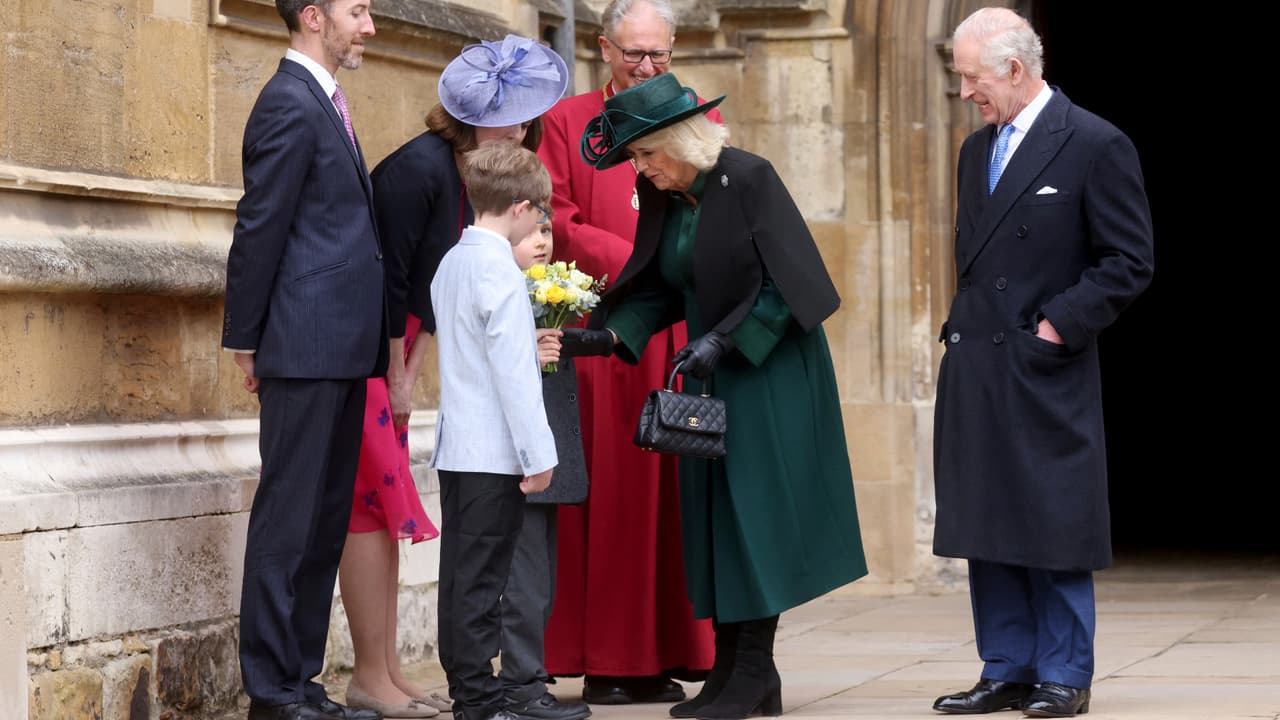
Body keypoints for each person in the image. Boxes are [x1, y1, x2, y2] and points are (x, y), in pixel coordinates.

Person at [573, 72, 869, 720]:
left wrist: (724, 344)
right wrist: (606, 339)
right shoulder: (669, 197)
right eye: (635, 158)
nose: (640, 169)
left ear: (680, 140)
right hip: (713, 371)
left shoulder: (748, 178)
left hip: (768, 369)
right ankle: (735, 671)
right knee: (713, 516)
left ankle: (755, 671)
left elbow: (786, 286)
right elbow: (656, 288)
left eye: (647, 154)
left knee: (754, 517)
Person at [930, 8, 1155, 718]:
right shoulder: (975, 151)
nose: (965, 92)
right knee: (985, 518)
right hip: (977, 360)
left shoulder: (1094, 142)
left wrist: (1056, 327)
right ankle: (1006, 666)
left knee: (1052, 520)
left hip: (1041, 361)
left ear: (1016, 70)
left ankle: (1063, 672)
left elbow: (1129, 262)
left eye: (972, 78)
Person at [353, 34, 569, 717]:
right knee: (465, 569)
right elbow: (395, 281)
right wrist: (542, 455)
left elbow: (442, 306)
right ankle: (438, 687)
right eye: (503, 114)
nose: (518, 126)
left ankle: (426, 679)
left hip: (439, 406)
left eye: (525, 117)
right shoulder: (433, 185)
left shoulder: (464, 241)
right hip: (451, 416)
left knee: (452, 566)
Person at [535, 0, 720, 702]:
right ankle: (610, 659)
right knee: (614, 498)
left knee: (678, 494)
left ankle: (678, 649)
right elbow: (554, 214)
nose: (646, 67)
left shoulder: (697, 113)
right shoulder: (567, 119)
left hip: (678, 332)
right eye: (633, 54)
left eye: (659, 56)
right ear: (604, 49)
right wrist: (639, 262)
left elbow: (718, 204)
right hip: (607, 337)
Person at [221, 1, 386, 719]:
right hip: (302, 342)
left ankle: (300, 681)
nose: (371, 26)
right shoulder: (287, 101)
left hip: (343, 344)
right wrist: (245, 338)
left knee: (322, 525)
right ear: (314, 16)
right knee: (287, 523)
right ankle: (270, 692)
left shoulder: (326, 100)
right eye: (359, 10)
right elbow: (261, 225)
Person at [428, 140, 558, 720]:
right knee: (483, 586)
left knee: (459, 580)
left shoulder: (452, 262)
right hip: (494, 454)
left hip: (458, 448)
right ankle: (479, 702)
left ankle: (468, 693)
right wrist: (540, 454)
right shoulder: (501, 273)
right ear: (523, 207)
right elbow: (514, 378)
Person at [497, 221, 607, 720]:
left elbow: (562, 342)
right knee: (524, 582)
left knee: (542, 583)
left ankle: (527, 677)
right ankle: (519, 685)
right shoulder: (500, 291)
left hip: (550, 458)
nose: (542, 240)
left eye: (546, 228)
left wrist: (608, 337)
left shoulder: (544, 292)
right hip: (521, 462)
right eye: (529, 233)